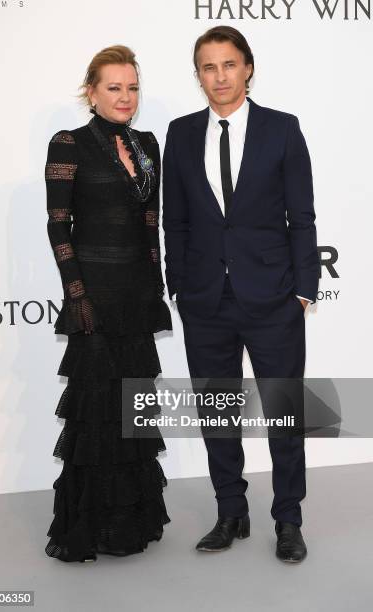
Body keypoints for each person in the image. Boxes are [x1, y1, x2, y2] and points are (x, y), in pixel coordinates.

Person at [162, 26, 319, 563]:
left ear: (247, 68)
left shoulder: (282, 129)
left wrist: (303, 288)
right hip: (206, 300)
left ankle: (288, 520)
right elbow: (175, 222)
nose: (219, 76)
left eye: (229, 64)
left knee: (282, 412)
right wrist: (178, 284)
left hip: (274, 297)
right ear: (199, 75)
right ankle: (231, 511)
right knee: (218, 412)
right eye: (208, 67)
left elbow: (301, 217)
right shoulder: (180, 135)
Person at [44, 45, 172, 562]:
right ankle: (89, 527)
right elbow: (59, 226)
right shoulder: (69, 143)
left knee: (132, 412)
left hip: (136, 295)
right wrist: (77, 295)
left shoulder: (145, 144)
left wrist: (156, 287)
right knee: (97, 413)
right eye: (114, 87)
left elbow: (150, 223)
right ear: (91, 91)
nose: (125, 97)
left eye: (133, 87)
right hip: (95, 294)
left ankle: (130, 524)